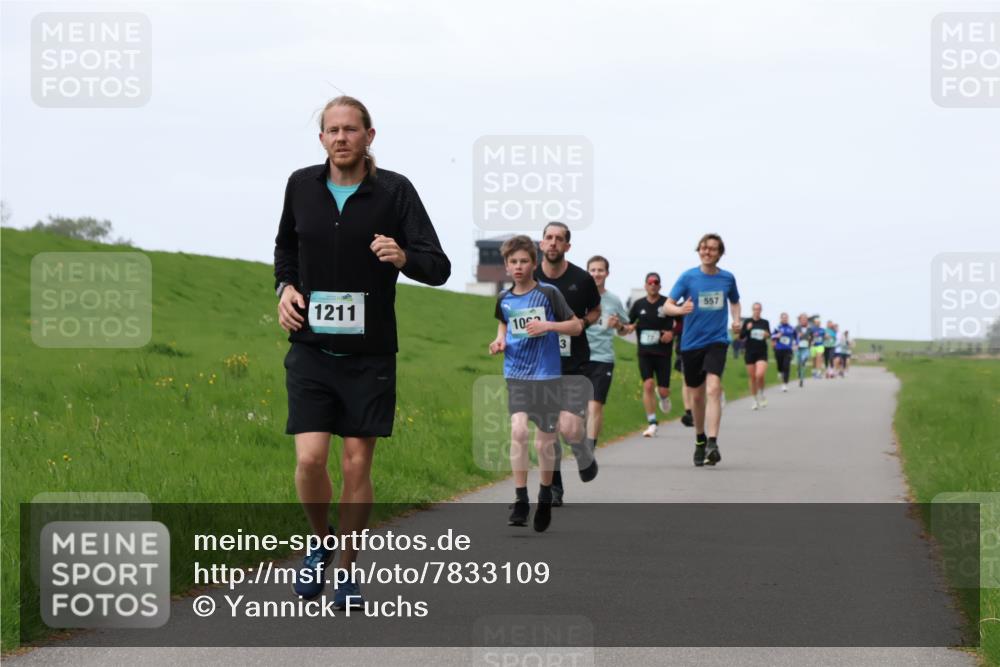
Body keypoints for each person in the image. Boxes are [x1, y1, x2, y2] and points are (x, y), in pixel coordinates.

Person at [274, 96, 451, 608]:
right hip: (310, 346)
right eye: (332, 130)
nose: (341, 138)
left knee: (355, 466)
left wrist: (404, 256)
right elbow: (286, 247)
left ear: (370, 136)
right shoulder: (300, 185)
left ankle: (347, 569)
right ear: (322, 138)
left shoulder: (394, 192)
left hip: (370, 353)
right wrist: (285, 288)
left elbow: (437, 265)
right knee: (309, 461)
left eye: (351, 129)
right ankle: (320, 543)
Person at [489, 236, 582, 532]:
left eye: (524, 261)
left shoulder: (548, 293)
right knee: (517, 432)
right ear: (506, 266)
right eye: (513, 262)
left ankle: (544, 493)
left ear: (533, 263)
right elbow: (503, 324)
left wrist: (549, 326)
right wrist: (499, 340)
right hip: (516, 374)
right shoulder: (504, 299)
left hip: (546, 375)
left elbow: (576, 325)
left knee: (544, 443)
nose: (518, 267)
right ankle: (520, 499)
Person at [533, 222, 602, 505]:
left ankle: (583, 452)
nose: (553, 243)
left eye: (559, 239)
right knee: (548, 430)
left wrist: (583, 322)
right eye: (548, 238)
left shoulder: (582, 280)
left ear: (567, 246)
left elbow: (596, 310)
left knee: (570, 427)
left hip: (574, 363)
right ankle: (553, 487)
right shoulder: (531, 277)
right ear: (541, 244)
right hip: (539, 365)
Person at [662, 234, 741, 467]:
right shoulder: (688, 277)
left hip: (717, 341)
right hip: (691, 343)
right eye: (704, 248)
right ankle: (700, 438)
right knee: (696, 397)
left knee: (714, 388)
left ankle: (713, 442)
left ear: (720, 253)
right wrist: (679, 310)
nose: (707, 252)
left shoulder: (728, 279)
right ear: (699, 250)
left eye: (713, 249)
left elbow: (735, 301)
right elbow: (667, 306)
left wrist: (736, 320)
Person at [584, 255, 630, 454]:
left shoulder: (613, 300)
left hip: (603, 359)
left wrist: (618, 325)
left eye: (600, 270)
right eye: (592, 270)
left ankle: (589, 449)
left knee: (595, 405)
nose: (596, 274)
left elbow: (625, 329)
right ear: (588, 273)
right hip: (580, 357)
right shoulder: (579, 297)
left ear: (607, 273)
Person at [624, 272, 677, 437]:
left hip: (663, 353)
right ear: (645, 285)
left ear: (660, 286)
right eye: (650, 282)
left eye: (656, 282)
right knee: (647, 385)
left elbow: (680, 322)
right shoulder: (638, 304)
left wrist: (672, 333)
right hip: (645, 352)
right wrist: (629, 327)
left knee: (662, 390)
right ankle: (652, 422)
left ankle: (664, 398)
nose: (653, 285)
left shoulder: (667, 303)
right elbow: (628, 323)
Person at [740, 302, 771, 409]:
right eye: (755, 309)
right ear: (752, 310)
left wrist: (767, 335)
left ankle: (762, 394)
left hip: (762, 352)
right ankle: (754, 400)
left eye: (758, 309)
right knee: (752, 377)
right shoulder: (747, 322)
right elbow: (741, 336)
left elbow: (768, 335)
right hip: (749, 352)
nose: (756, 311)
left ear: (761, 310)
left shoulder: (765, 322)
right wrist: (747, 329)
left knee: (760, 375)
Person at [771, 312, 797, 392]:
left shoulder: (792, 328)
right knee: (780, 365)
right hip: (778, 349)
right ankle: (779, 371)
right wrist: (776, 336)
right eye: (783, 318)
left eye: (786, 318)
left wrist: (796, 344)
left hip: (788, 350)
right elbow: (771, 336)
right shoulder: (777, 327)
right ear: (781, 319)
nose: (784, 319)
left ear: (788, 319)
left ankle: (785, 384)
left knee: (786, 366)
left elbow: (796, 337)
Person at [794, 313, 811, 387]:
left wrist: (811, 340)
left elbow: (813, 337)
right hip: (798, 348)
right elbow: (793, 337)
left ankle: (801, 379)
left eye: (805, 319)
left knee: (804, 361)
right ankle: (798, 371)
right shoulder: (796, 328)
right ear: (800, 320)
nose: (804, 320)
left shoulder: (810, 329)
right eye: (802, 319)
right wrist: (795, 343)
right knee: (798, 363)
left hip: (806, 348)